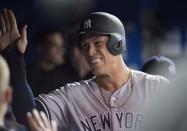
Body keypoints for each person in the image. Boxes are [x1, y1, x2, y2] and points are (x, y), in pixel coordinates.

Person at [1, 10, 168, 131]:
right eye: (85, 46)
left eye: (97, 43)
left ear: (118, 44)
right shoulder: (72, 95)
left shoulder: (155, 87)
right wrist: (14, 58)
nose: (89, 52)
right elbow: (27, 114)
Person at [27, 28, 78, 96]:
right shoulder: (25, 76)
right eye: (55, 46)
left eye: (61, 46)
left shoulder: (67, 79)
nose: (62, 51)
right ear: (40, 49)